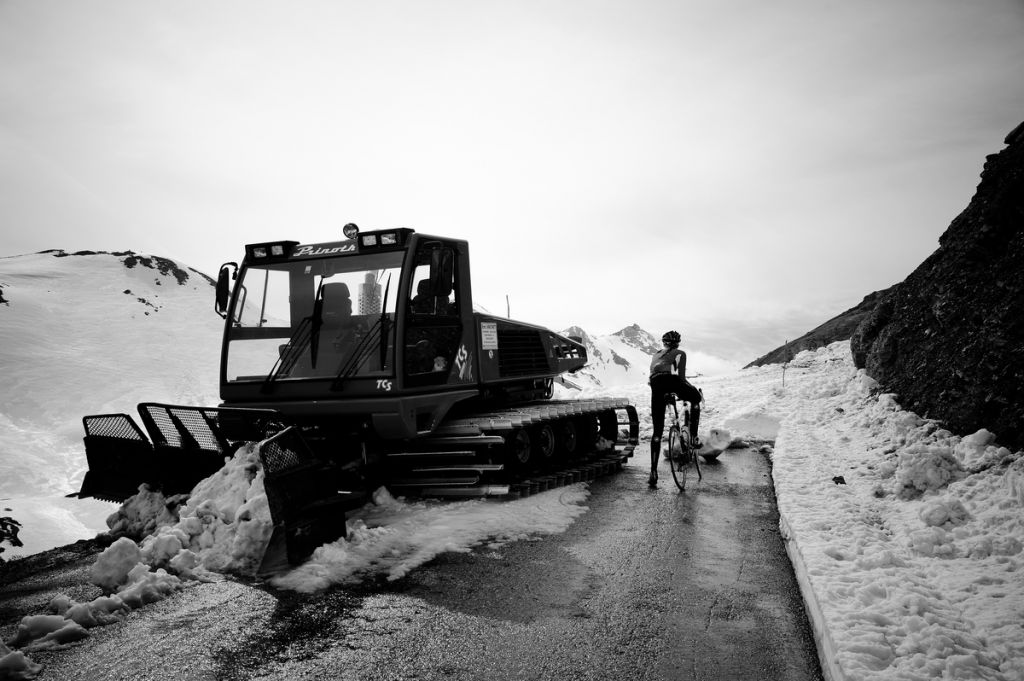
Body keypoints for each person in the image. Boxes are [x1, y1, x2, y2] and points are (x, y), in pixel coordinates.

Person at [647, 330, 703, 487]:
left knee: (657, 432)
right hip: (672, 382)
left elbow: (652, 374)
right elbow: (681, 377)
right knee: (696, 398)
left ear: (663, 342)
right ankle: (693, 436)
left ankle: (653, 472)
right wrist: (689, 388)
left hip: (656, 387)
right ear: (678, 342)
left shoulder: (655, 354)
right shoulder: (680, 353)